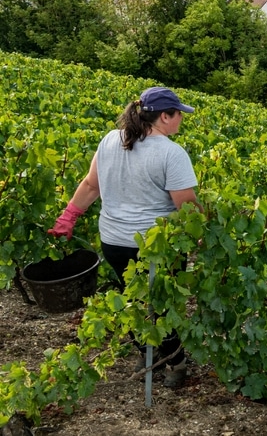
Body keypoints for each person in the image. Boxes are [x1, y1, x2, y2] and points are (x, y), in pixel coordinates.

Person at [48, 86, 199, 388]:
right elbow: (188, 207)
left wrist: (69, 216)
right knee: (163, 303)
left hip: (114, 242)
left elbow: (91, 186)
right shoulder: (171, 153)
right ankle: (174, 363)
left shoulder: (110, 140)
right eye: (178, 113)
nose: (181, 118)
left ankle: (145, 350)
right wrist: (204, 238)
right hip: (156, 246)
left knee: (132, 298)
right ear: (165, 117)